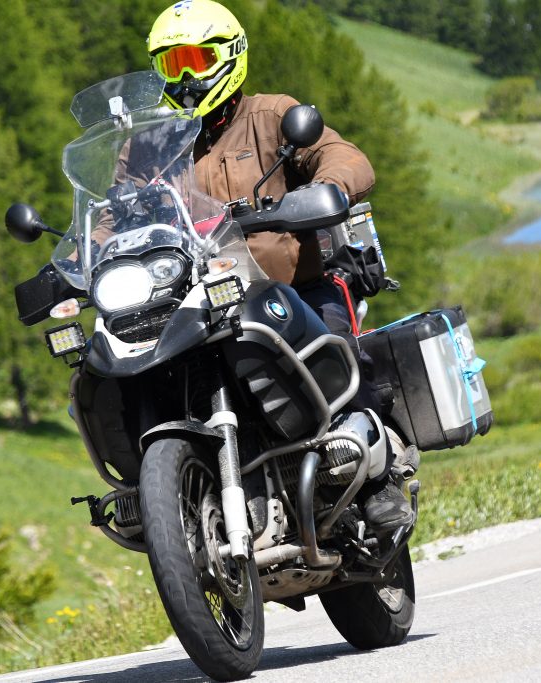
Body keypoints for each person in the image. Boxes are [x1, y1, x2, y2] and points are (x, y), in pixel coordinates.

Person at [148, 0, 414, 531]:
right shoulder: (150, 145)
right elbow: (113, 210)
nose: (184, 78)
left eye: (196, 60)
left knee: (332, 352)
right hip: (196, 304)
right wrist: (81, 255)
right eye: (171, 64)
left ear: (229, 56)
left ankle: (377, 478)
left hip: (293, 287)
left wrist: (326, 187)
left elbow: (345, 157)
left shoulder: (271, 116)